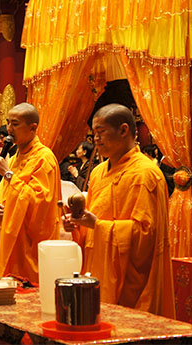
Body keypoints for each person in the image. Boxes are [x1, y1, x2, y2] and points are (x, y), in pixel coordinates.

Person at [63, 104, 175, 318]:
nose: (95, 140)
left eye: (101, 132)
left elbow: (146, 235)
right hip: (99, 270)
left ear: (124, 130)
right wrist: (77, 227)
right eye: (94, 134)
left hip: (133, 282)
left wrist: (97, 225)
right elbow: (91, 230)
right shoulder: (97, 173)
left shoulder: (145, 174)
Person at [0, 103, 61, 284]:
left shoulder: (44, 158)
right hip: (10, 236)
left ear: (32, 127)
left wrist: (8, 175)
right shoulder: (14, 159)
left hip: (29, 245)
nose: (9, 130)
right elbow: (2, 197)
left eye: (15, 124)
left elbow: (40, 204)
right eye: (8, 123)